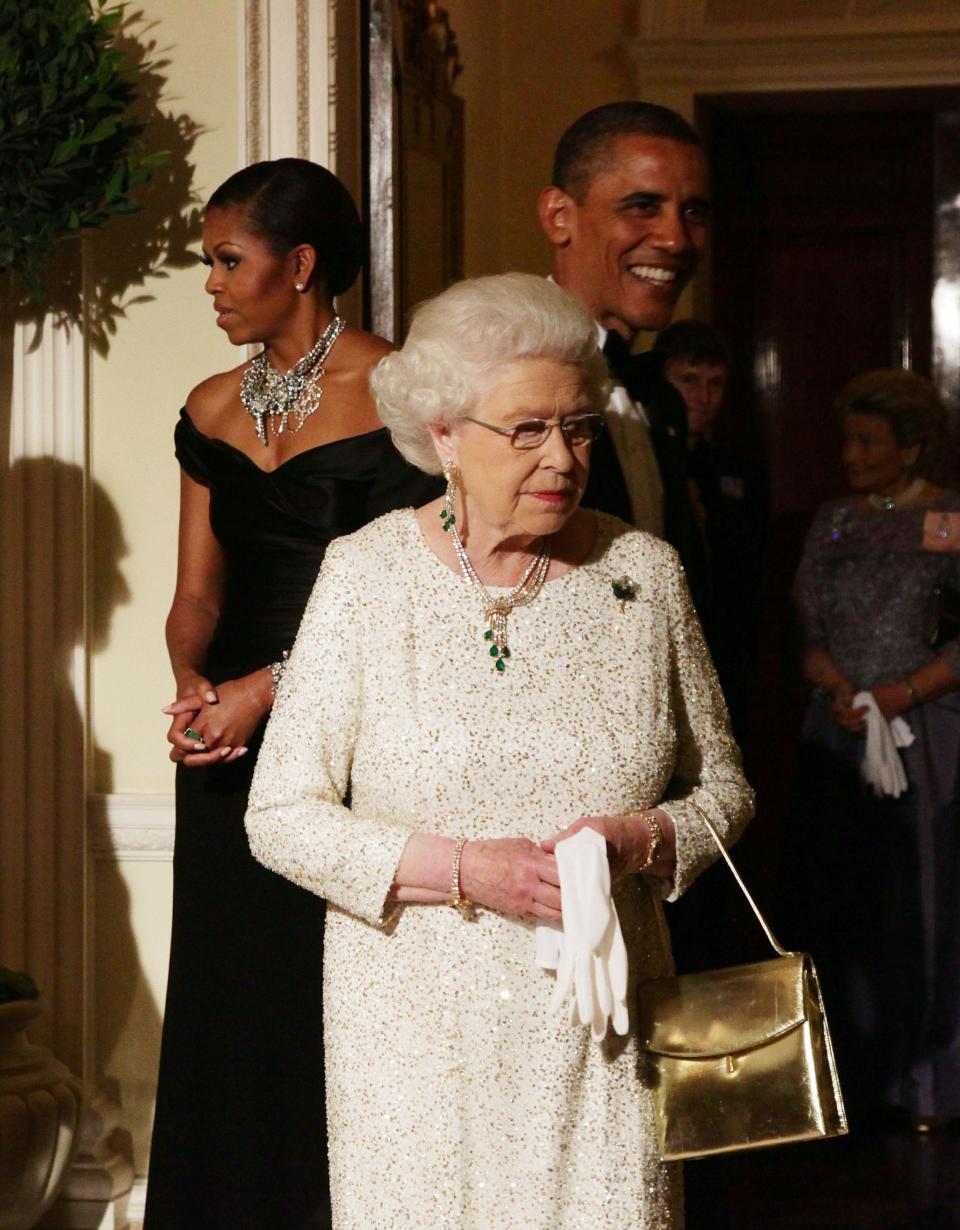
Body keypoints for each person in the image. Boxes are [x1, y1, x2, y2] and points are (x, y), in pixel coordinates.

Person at [244, 273, 753, 1229]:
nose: (563, 458)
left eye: (581, 427)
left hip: (602, 1043)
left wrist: (642, 840)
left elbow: (723, 788)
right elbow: (278, 817)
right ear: (444, 435)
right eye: (527, 430)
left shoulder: (642, 575)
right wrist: (470, 869)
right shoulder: (366, 575)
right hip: (413, 1043)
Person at [144, 158, 439, 1230]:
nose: (212, 284)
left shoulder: (406, 394)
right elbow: (193, 595)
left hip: (354, 739)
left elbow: (410, 603)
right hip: (226, 743)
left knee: (327, 1002)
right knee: (228, 1004)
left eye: (230, 260)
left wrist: (265, 694)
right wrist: (189, 684)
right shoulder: (208, 407)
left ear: (300, 265)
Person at [789, 369, 960, 1131]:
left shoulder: (952, 518)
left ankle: (927, 1080)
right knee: (840, 903)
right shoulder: (832, 519)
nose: (851, 455)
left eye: (869, 441)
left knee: (922, 907)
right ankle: (848, 1080)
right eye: (846, 440)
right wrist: (833, 683)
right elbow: (808, 628)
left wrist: (905, 693)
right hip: (840, 733)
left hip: (924, 735)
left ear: (913, 445)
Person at [537, 101, 709, 613]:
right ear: (559, 217)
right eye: (642, 206)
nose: (676, 239)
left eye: (693, 211)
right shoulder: (498, 378)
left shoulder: (661, 397)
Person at [655, 319, 768, 742]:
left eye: (716, 384)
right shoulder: (648, 459)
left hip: (725, 642)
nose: (703, 397)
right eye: (690, 380)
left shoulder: (740, 469)